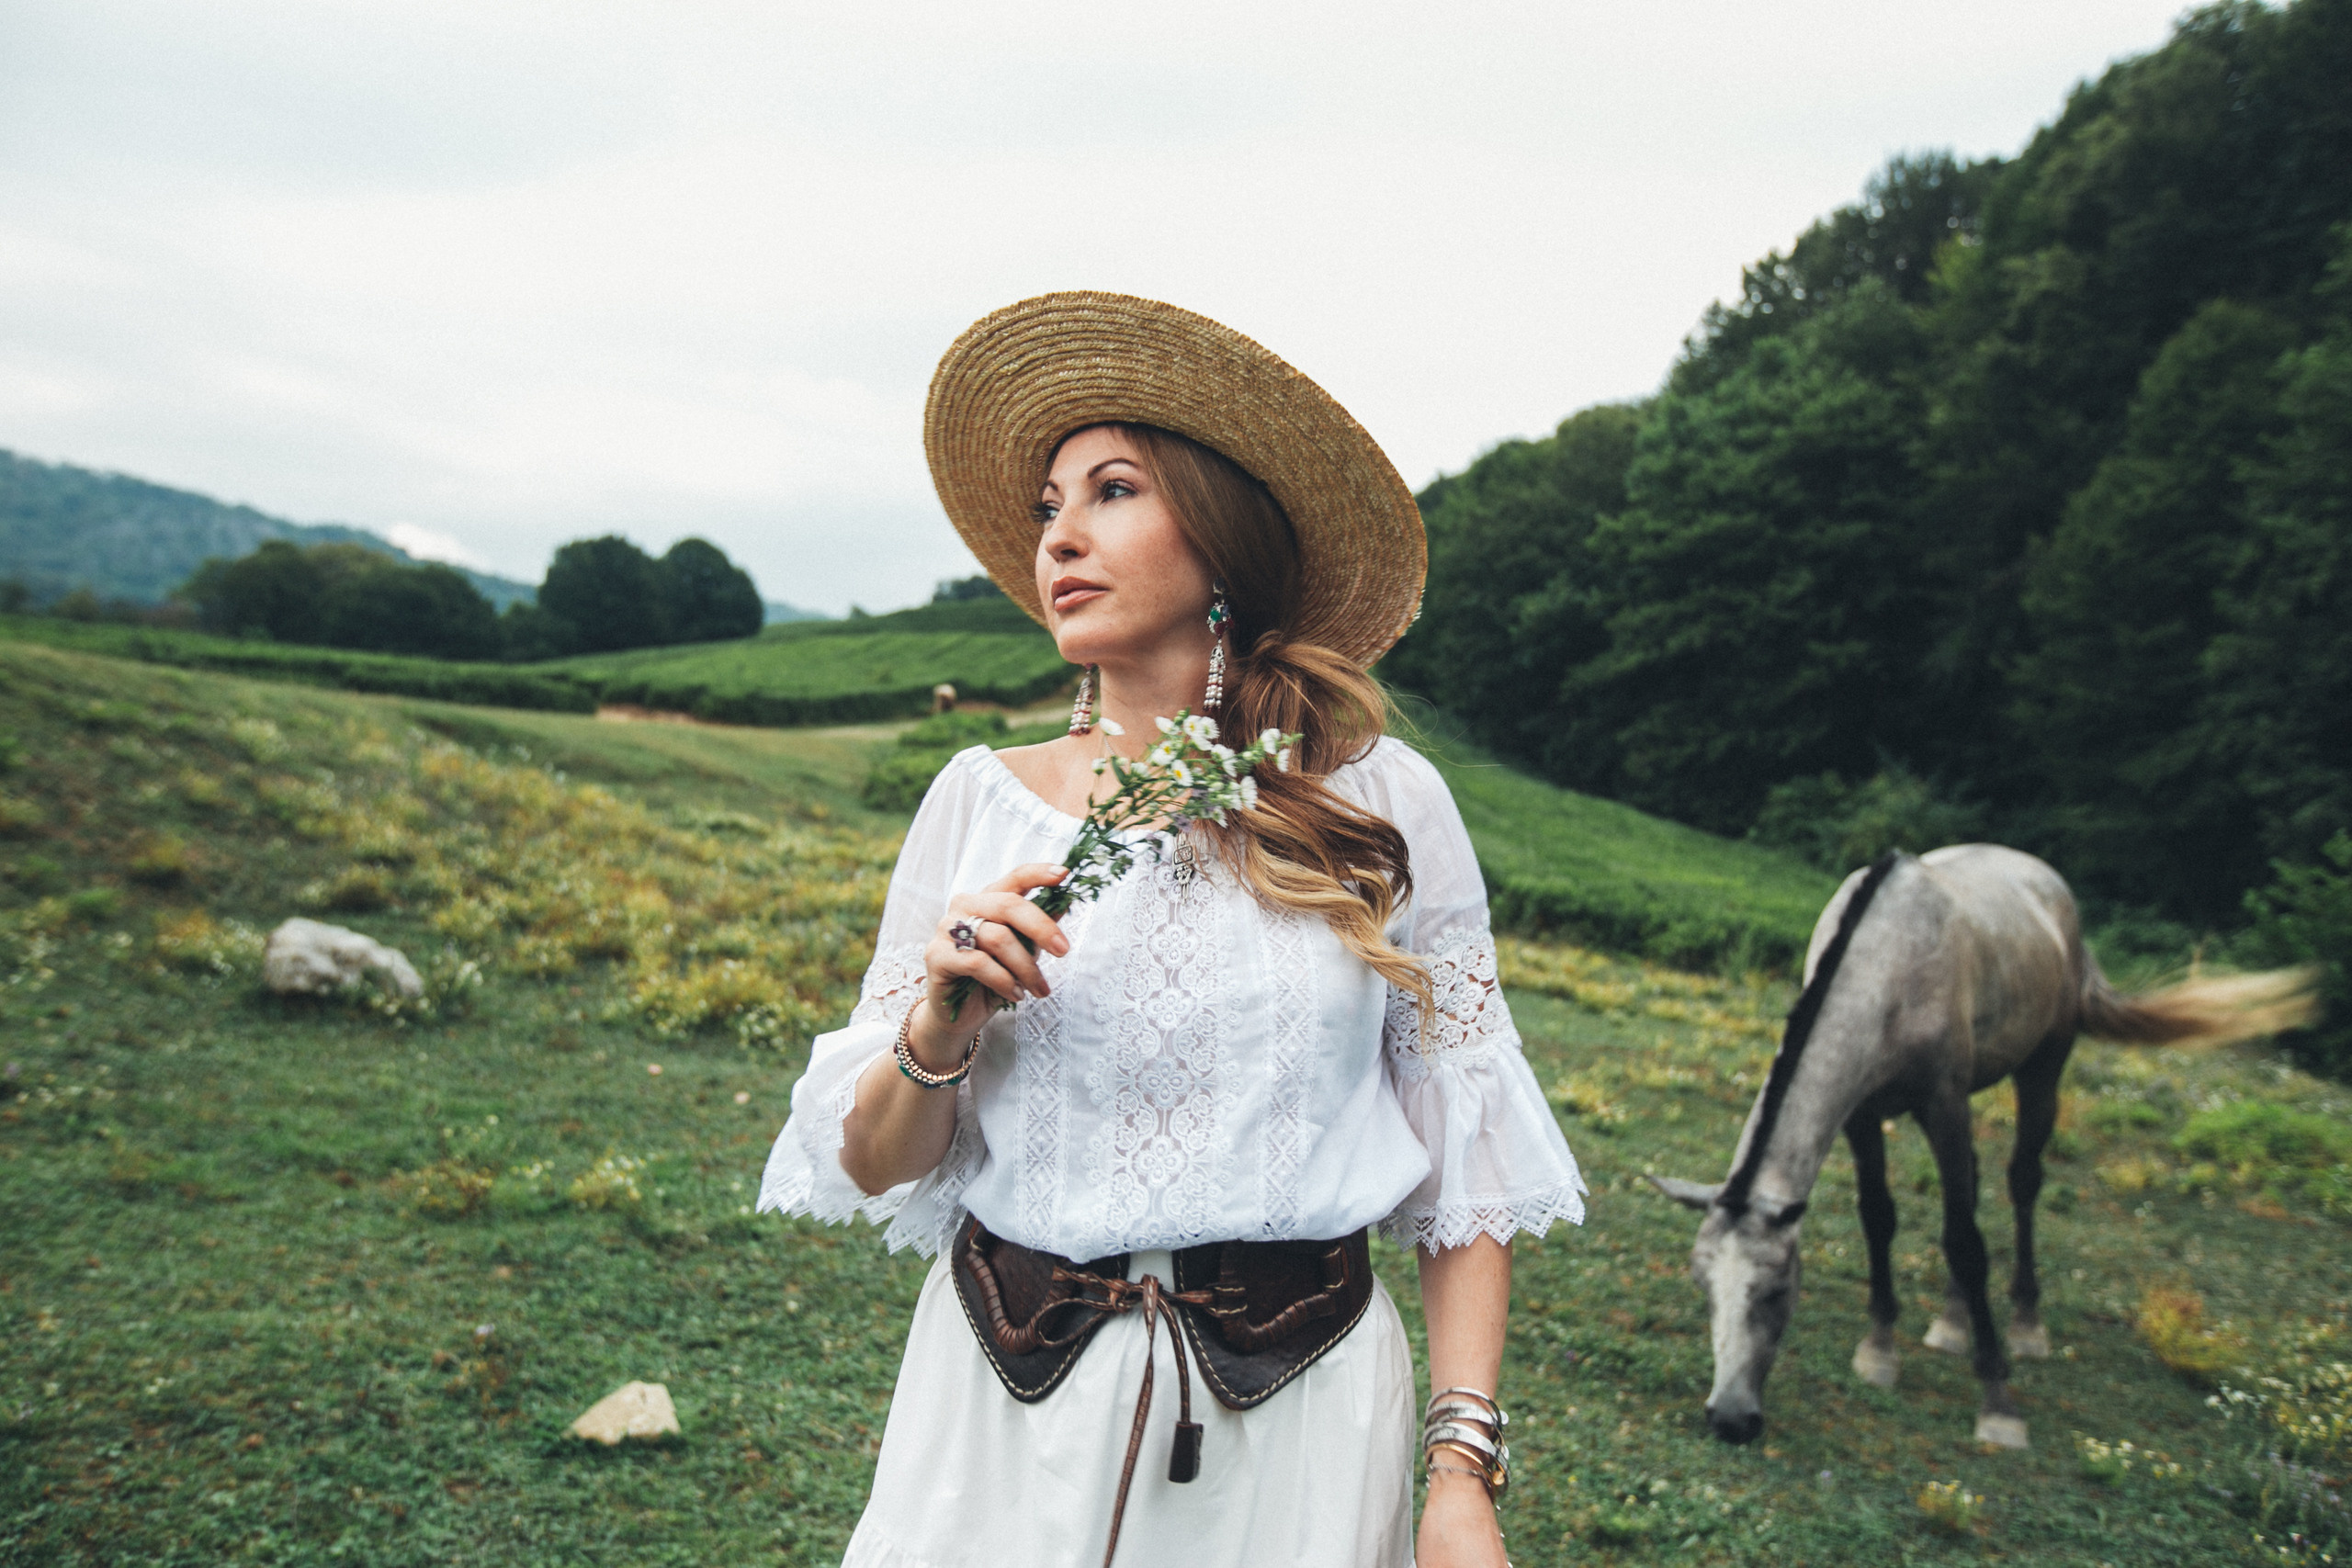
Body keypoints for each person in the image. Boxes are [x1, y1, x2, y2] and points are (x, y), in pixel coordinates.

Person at [760, 293, 1584, 1568]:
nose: (1060, 536)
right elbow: (874, 1161)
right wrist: (940, 1027)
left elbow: (1463, 1164)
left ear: (1221, 542)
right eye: (1047, 506)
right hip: (1002, 1419)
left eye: (1113, 490)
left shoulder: (1379, 804)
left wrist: (1461, 1471)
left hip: (1291, 1431)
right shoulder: (976, 802)